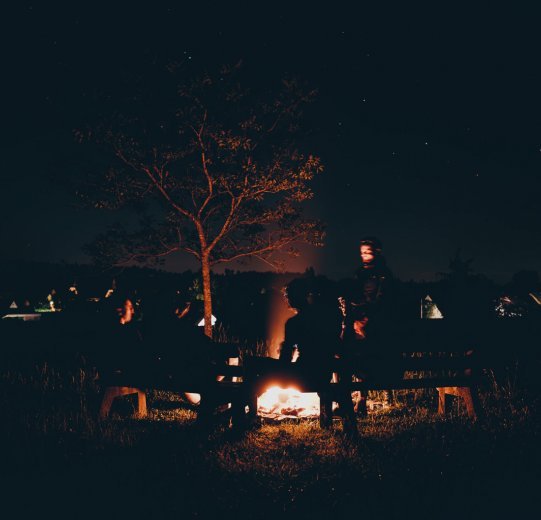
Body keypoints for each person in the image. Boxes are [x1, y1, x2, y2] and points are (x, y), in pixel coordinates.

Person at [280, 277, 358, 436]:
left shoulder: (294, 323)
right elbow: (338, 348)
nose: (286, 299)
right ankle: (349, 425)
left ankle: (242, 421)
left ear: (296, 296)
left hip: (303, 375)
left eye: (288, 295)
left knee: (253, 366)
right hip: (323, 374)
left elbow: (285, 360)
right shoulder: (325, 320)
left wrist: (276, 369)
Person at [339, 237, 395, 409]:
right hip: (358, 319)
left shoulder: (383, 274)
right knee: (342, 349)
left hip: (374, 323)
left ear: (377, 252)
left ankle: (360, 398)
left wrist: (365, 317)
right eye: (362, 252)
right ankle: (348, 397)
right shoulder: (360, 273)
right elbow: (354, 293)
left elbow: (382, 300)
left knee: (360, 353)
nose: (364, 255)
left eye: (368, 252)